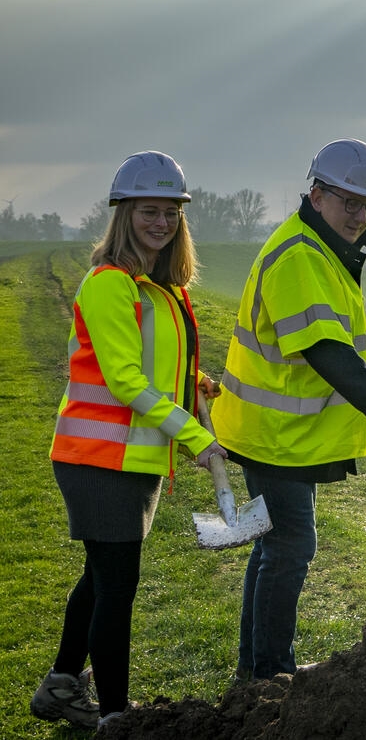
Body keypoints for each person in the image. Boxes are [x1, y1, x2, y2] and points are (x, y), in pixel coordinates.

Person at [211, 138, 366, 681]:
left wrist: (365, 354)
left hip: (279, 433)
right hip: (276, 437)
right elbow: (323, 351)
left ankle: (255, 674)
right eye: (350, 203)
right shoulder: (299, 255)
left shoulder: (317, 247)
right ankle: (270, 675)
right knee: (291, 547)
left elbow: (325, 335)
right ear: (317, 196)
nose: (360, 216)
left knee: (274, 547)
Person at [34, 152, 227, 731]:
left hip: (130, 459)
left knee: (100, 578)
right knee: (118, 588)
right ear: (123, 213)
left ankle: (61, 687)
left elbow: (154, 366)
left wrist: (195, 385)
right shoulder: (109, 284)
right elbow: (123, 379)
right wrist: (197, 437)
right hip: (98, 460)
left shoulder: (159, 288)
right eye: (149, 210)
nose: (161, 222)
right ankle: (117, 718)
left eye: (171, 212)